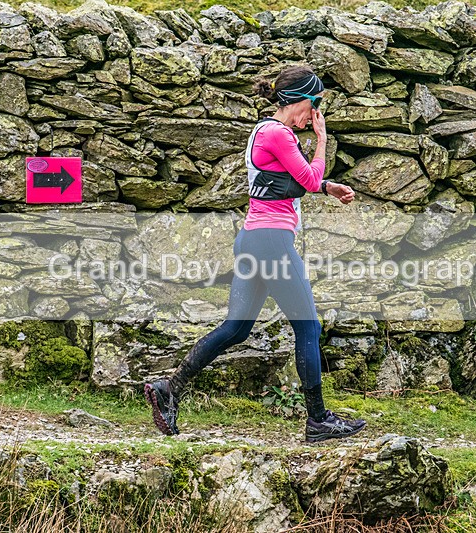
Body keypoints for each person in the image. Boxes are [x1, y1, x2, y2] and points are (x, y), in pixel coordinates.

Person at [144, 64, 367, 443]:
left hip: (253, 239)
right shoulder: (277, 132)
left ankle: (170, 388)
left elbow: (286, 183)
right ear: (299, 99)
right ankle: (318, 421)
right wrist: (322, 139)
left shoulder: (265, 132)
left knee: (237, 328)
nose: (313, 114)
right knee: (309, 328)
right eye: (314, 105)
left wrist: (328, 187)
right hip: (271, 243)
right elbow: (307, 179)